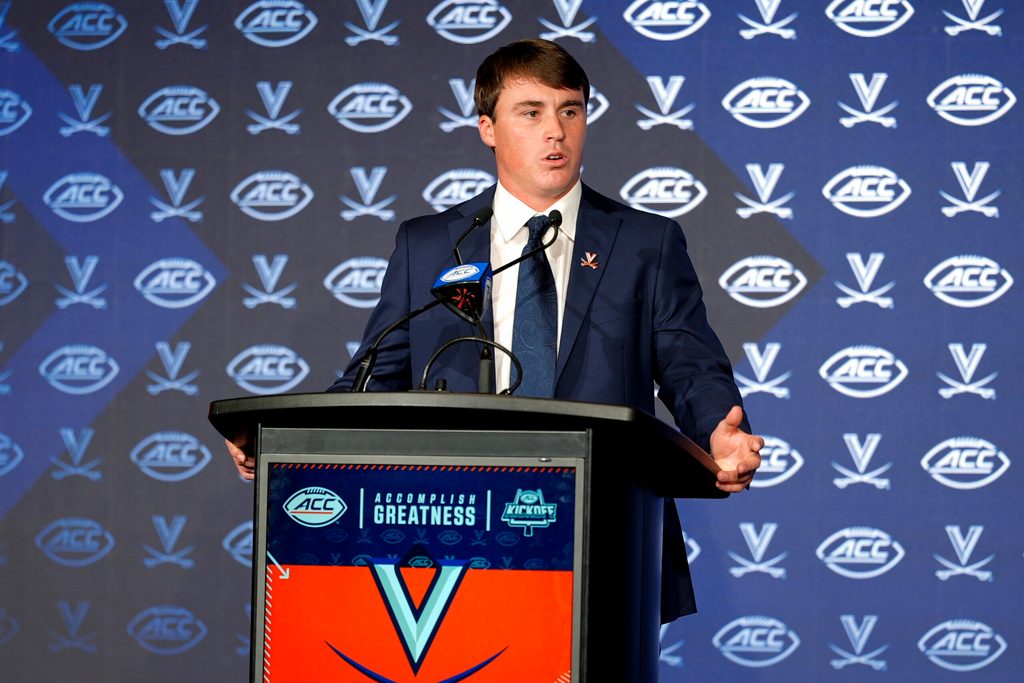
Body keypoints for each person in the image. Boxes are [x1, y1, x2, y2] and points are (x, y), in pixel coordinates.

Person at [227, 38, 762, 622]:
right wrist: (284, 439)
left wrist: (718, 428)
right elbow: (373, 377)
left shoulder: (644, 243)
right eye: (530, 112)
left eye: (570, 110)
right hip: (452, 544)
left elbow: (689, 361)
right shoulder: (430, 245)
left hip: (605, 538)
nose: (555, 131)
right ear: (488, 127)